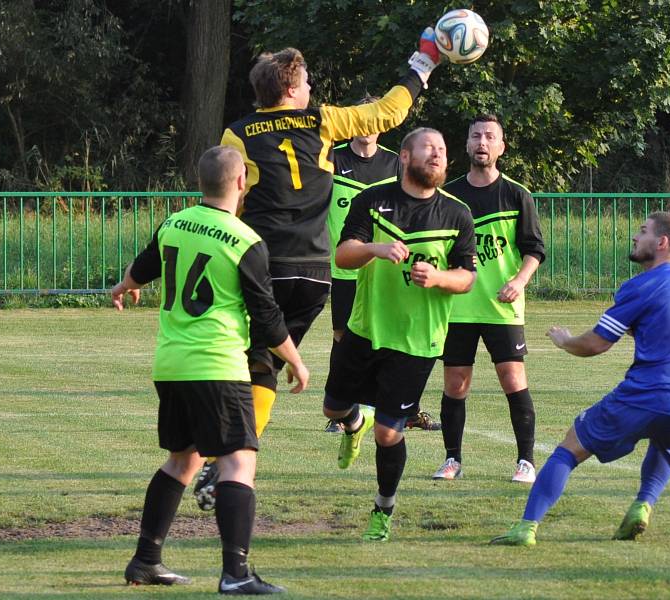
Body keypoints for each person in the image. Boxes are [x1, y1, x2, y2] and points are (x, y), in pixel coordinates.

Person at [193, 31, 443, 500]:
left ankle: (220, 460)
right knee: (257, 364)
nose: (311, 88)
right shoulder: (322, 121)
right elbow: (387, 112)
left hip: (260, 263)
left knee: (251, 364)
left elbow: (232, 194)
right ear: (291, 89)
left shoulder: (238, 132)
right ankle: (348, 418)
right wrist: (424, 63)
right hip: (311, 271)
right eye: (306, 81)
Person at [112, 146, 309, 594]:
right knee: (239, 462)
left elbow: (142, 269)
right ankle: (236, 574)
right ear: (241, 183)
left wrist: (124, 286)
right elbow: (267, 318)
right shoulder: (244, 240)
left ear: (201, 183)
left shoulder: (173, 223)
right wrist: (296, 361)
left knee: (182, 460)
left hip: (171, 364)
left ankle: (145, 560)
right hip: (218, 364)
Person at [490, 212, 670, 546]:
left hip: (647, 395)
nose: (634, 238)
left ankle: (526, 527)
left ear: (662, 242)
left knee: (569, 449)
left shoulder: (642, 285)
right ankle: (643, 505)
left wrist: (566, 340)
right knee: (669, 441)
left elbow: (596, 344)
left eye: (642, 232)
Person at [322, 127, 477, 542]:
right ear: (405, 157)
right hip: (365, 329)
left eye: (443, 150)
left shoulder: (457, 213)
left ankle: (383, 509)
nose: (438, 155)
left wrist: (440, 276)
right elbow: (342, 255)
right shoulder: (372, 200)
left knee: (389, 433)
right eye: (430, 148)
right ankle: (353, 425)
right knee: (332, 409)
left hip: (416, 340)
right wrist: (375, 249)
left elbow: (467, 278)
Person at [431, 114, 545, 482]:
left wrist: (520, 279)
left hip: (501, 306)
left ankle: (526, 461)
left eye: (490, 137)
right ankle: (452, 460)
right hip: (458, 306)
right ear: (466, 145)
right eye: (476, 136)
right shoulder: (448, 195)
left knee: (513, 379)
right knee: (455, 384)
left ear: (501, 147)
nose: (482, 142)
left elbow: (534, 249)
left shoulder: (516, 194)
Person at [324, 97, 441, 434]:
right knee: (344, 335)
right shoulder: (333, 158)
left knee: (396, 336)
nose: (369, 127)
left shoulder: (394, 163)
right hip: (346, 266)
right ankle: (343, 409)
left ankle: (408, 409)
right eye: (363, 120)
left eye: (375, 121)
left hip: (389, 269)